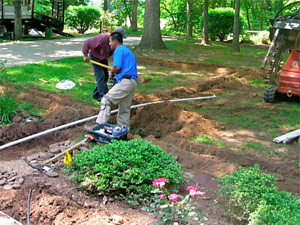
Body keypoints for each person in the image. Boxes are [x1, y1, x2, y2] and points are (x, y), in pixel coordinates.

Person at [89, 31, 143, 130]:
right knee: (124, 108)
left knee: (106, 100)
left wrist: (112, 72)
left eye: (110, 42)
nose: (109, 44)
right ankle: (123, 129)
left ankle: (98, 125)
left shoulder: (118, 50)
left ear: (115, 41)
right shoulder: (127, 51)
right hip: (133, 82)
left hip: (126, 82)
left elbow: (117, 67)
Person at [82, 27, 127, 101]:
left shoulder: (117, 44)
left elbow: (115, 57)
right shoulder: (102, 38)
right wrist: (85, 55)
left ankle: (96, 95)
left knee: (105, 76)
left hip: (103, 57)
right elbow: (87, 42)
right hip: (95, 56)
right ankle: (105, 97)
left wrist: (114, 71)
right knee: (101, 76)